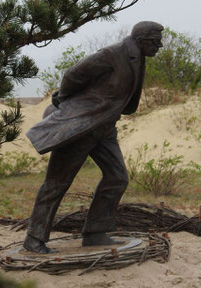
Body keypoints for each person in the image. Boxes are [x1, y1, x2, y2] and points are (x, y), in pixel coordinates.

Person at [24, 21, 164, 254]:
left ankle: (95, 232)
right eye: (157, 41)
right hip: (82, 127)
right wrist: (67, 104)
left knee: (117, 177)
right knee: (57, 183)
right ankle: (34, 238)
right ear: (143, 40)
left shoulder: (138, 57)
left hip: (105, 128)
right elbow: (73, 74)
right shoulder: (112, 54)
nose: (160, 46)